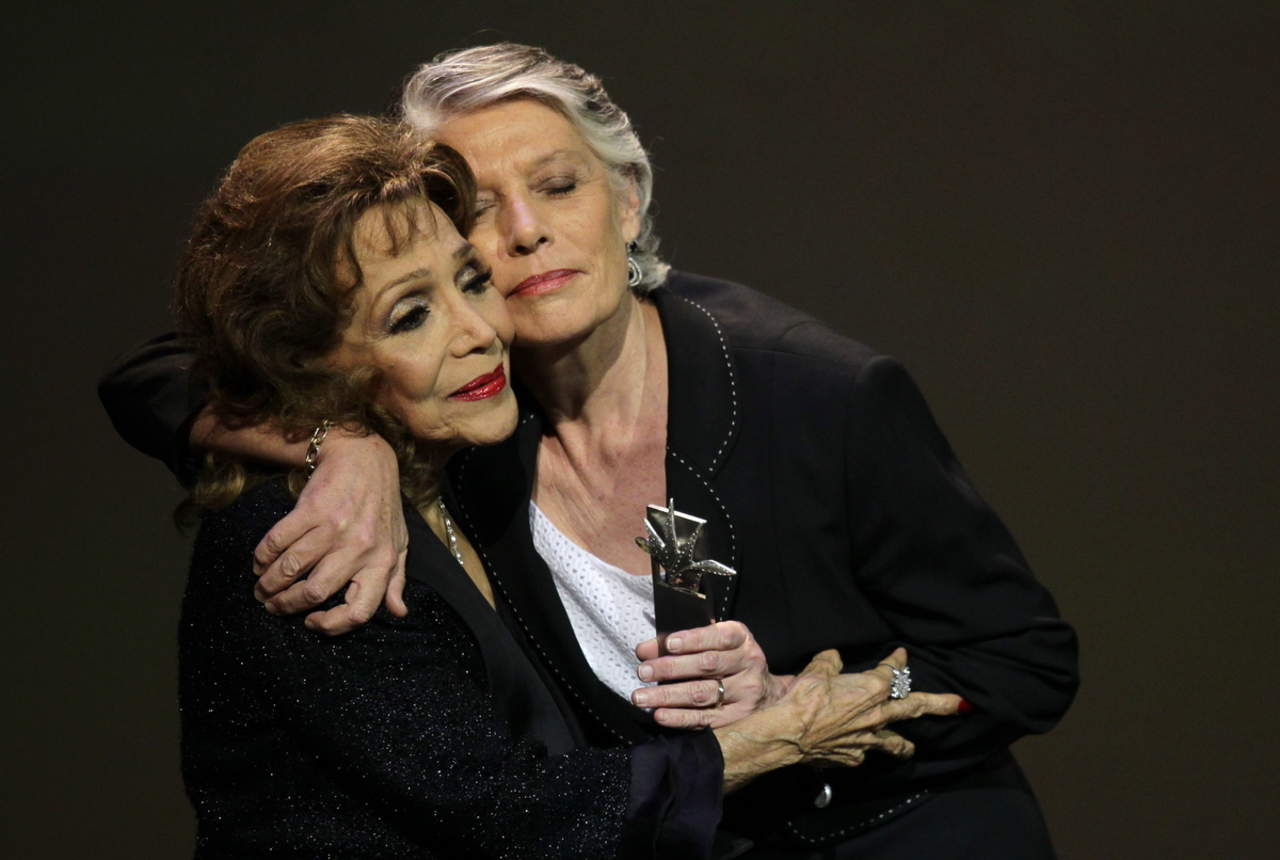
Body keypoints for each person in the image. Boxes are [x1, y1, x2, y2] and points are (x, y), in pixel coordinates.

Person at [101, 45, 1078, 857]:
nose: (526, 232)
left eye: (557, 185)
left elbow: (1021, 655)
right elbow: (167, 368)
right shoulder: (469, 409)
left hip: (889, 829)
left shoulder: (814, 391)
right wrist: (338, 438)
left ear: (626, 197)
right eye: (482, 209)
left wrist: (814, 703)